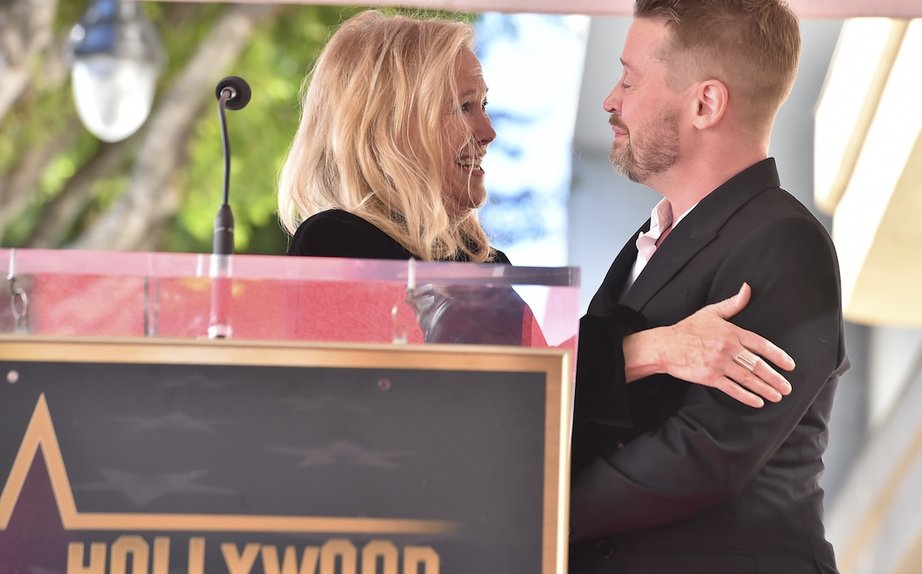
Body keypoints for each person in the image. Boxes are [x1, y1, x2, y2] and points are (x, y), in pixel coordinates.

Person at [278, 9, 796, 406]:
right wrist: (661, 349)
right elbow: (495, 383)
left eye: (484, 105)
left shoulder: (478, 265)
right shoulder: (332, 242)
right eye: (464, 106)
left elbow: (550, 394)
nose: (488, 132)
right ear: (392, 125)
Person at [567, 0, 849, 574]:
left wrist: (542, 510)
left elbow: (705, 453)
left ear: (705, 103)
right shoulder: (649, 241)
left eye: (629, 78)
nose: (611, 100)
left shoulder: (784, 243)